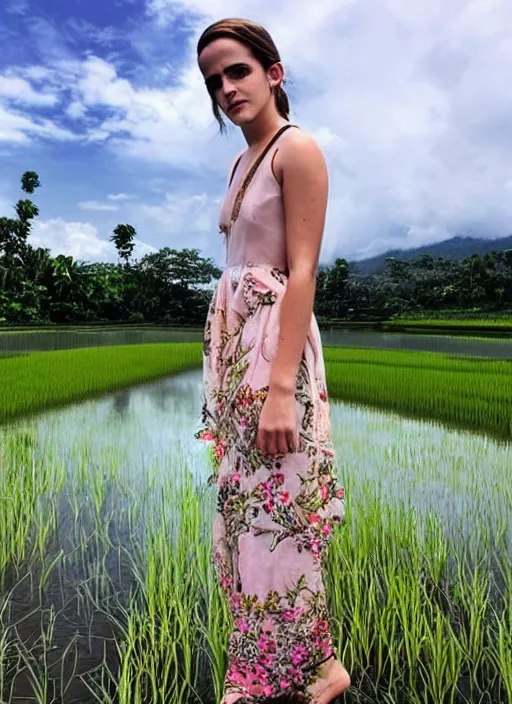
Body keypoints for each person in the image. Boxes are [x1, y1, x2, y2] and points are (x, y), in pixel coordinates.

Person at [195, 18, 351, 704]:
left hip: (276, 359)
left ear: (273, 73)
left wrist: (281, 388)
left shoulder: (299, 150)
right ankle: (309, 668)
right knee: (248, 517)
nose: (226, 89)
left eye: (236, 72)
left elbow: (304, 271)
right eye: (213, 81)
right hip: (238, 360)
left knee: (278, 517)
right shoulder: (239, 161)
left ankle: (276, 677)